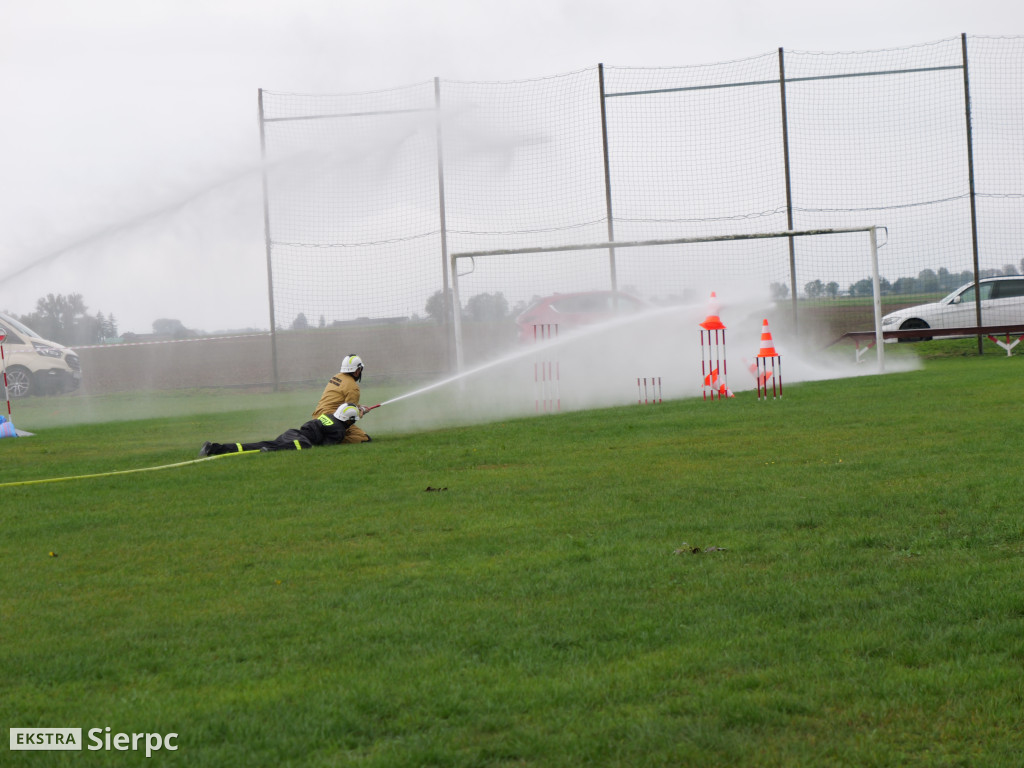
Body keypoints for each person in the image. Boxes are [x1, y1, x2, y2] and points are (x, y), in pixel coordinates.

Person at [197, 403, 361, 457]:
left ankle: (214, 448)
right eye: (353, 420)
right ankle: (271, 451)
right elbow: (325, 448)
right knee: (307, 447)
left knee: (256, 445)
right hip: (299, 441)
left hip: (291, 434)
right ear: (349, 420)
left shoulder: (329, 416)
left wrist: (359, 410)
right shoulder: (339, 430)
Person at [311, 353, 372, 443]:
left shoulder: (336, 377)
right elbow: (350, 415)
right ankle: (328, 440)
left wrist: (359, 407)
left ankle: (324, 436)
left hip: (317, 417)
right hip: (333, 420)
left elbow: (339, 402)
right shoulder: (353, 387)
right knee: (364, 438)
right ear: (357, 371)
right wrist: (362, 411)